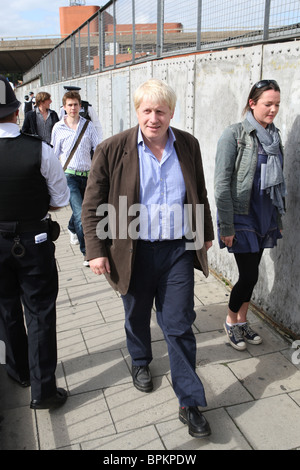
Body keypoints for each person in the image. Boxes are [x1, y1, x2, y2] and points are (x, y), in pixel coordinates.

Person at [82, 79, 214, 439]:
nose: (153, 118)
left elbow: (198, 191)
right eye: (147, 110)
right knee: (136, 315)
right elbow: (91, 206)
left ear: (171, 112)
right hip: (133, 251)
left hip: (176, 252)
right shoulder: (112, 149)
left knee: (178, 324)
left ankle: (189, 401)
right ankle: (141, 360)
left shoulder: (187, 144)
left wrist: (205, 233)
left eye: (161, 111)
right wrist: (95, 251)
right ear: (137, 110)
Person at [0, 75, 70, 409]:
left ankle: (18, 372)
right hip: (34, 240)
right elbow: (59, 198)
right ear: (16, 113)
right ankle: (43, 391)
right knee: (40, 313)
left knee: (6, 309)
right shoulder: (39, 150)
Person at [214, 79, 286, 351]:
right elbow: (222, 183)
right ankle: (231, 321)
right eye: (268, 104)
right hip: (241, 215)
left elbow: (279, 184)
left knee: (252, 273)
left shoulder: (275, 137)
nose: (273, 110)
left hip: (264, 215)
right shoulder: (233, 135)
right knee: (249, 276)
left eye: (277, 104)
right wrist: (226, 225)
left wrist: (277, 218)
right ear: (252, 103)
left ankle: (243, 320)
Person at [51, 90, 101, 265]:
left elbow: (98, 148)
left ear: (80, 106)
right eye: (69, 105)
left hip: (88, 176)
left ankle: (72, 228)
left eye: (75, 105)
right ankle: (88, 252)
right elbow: (53, 154)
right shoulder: (58, 128)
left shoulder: (88, 126)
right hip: (69, 176)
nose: (73, 108)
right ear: (64, 108)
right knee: (81, 214)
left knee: (83, 212)